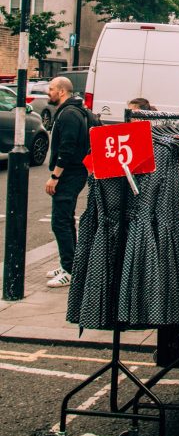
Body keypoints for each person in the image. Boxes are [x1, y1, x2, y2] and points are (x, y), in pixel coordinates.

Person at [44, 76, 91, 288]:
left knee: (60, 221)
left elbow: (67, 148)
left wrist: (55, 176)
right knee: (66, 219)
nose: (48, 91)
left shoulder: (69, 114)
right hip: (75, 172)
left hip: (70, 173)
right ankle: (70, 264)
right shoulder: (73, 111)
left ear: (62, 91)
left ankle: (70, 270)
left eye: (51, 88)